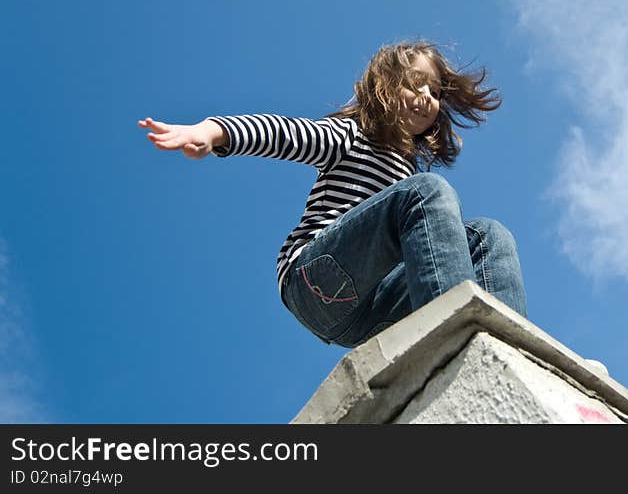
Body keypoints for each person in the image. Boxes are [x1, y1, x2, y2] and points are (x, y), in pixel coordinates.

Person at [138, 41, 527, 348]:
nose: (426, 95)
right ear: (385, 88)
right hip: (316, 280)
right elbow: (283, 132)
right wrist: (211, 131)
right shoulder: (353, 135)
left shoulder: (410, 176)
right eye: (414, 82)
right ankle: (455, 335)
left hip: (373, 310)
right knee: (427, 193)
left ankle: (506, 348)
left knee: (489, 236)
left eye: (434, 89)